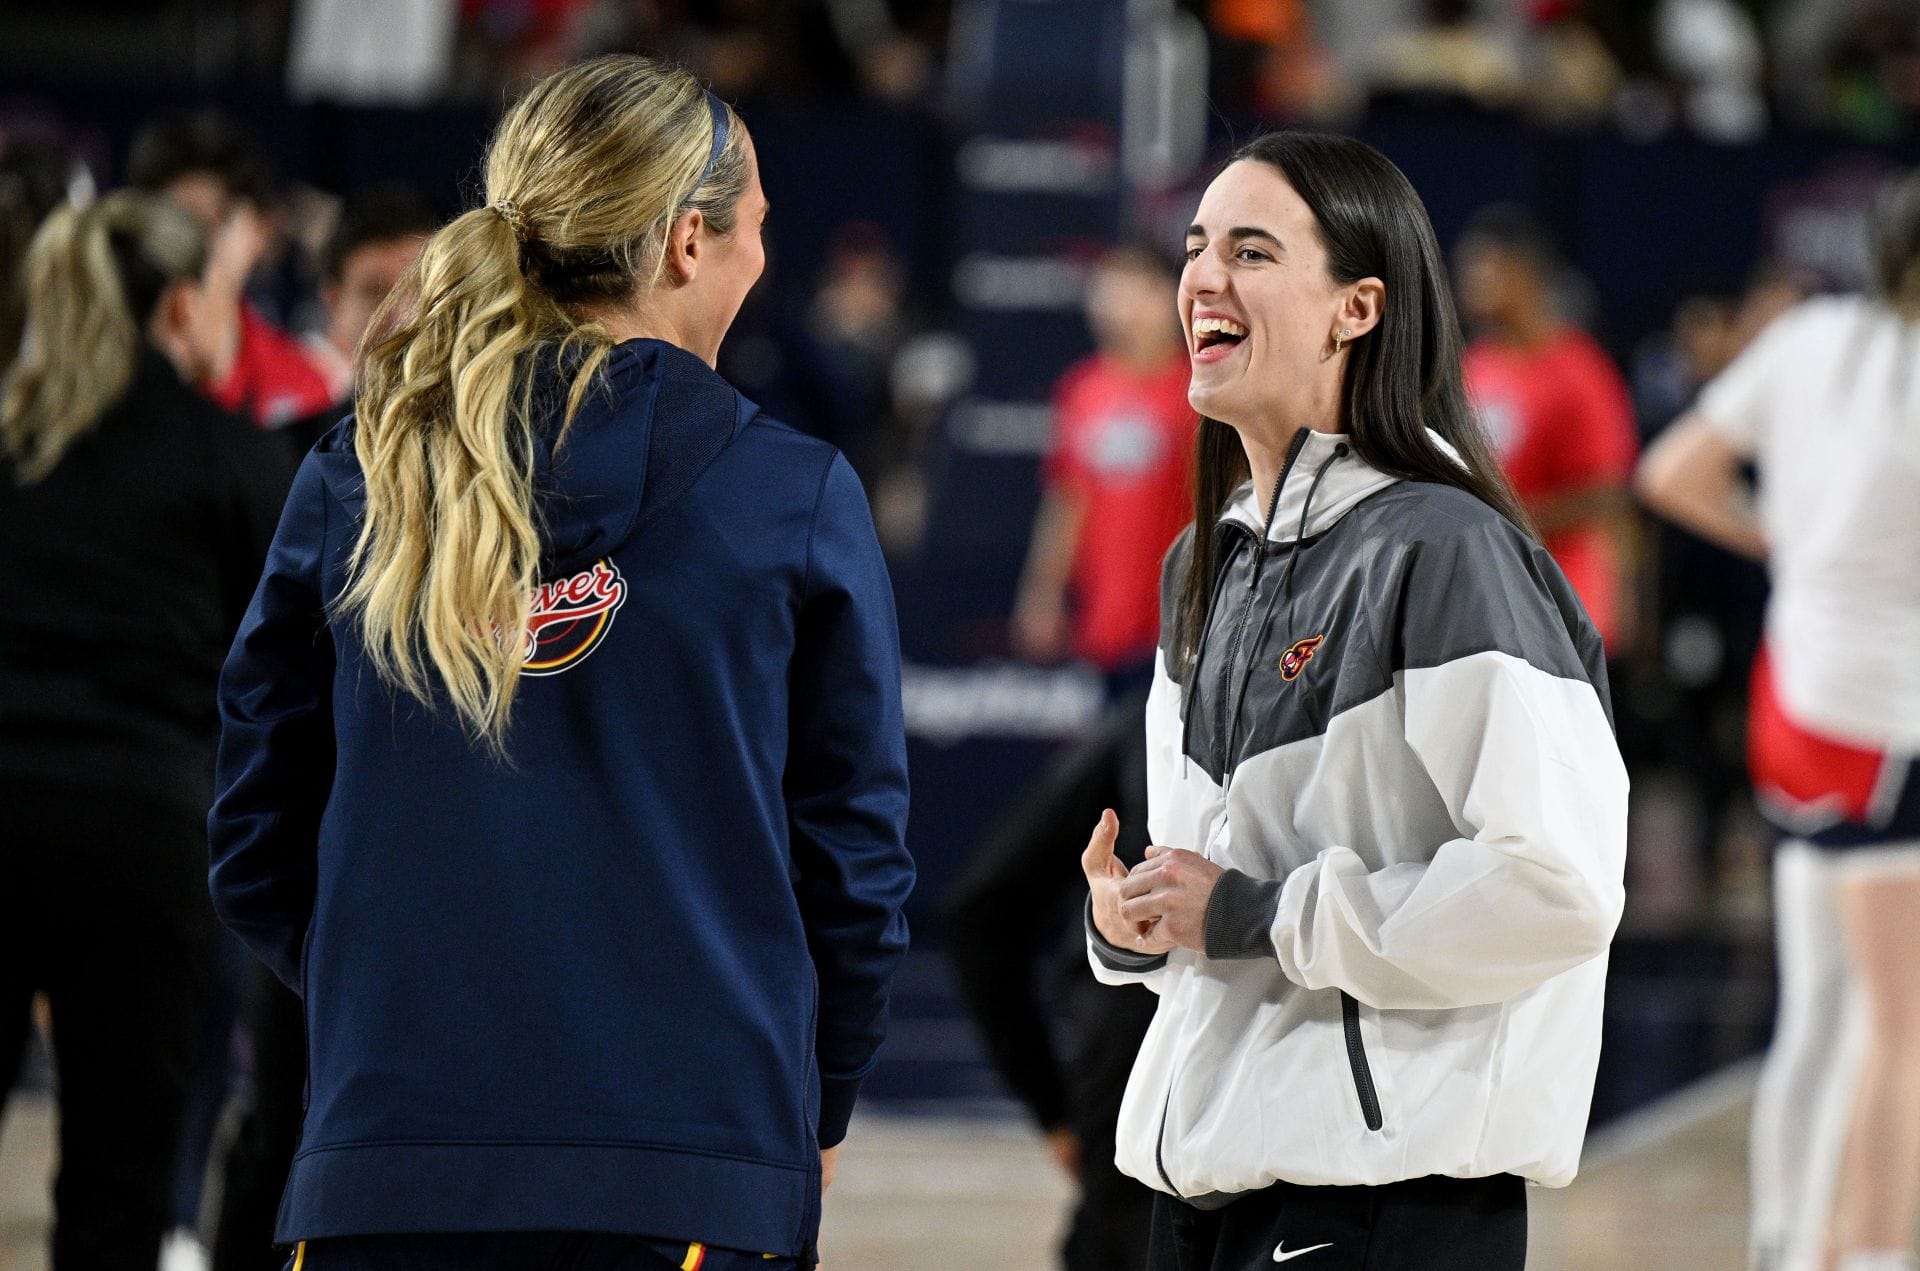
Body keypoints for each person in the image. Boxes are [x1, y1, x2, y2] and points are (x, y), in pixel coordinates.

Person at [207, 54, 912, 1270]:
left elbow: (254, 828)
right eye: (756, 227)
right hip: (691, 1171)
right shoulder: (796, 496)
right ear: (691, 242)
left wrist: (403, 992)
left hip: (383, 1167)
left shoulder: (358, 470)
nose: (760, 255)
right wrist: (815, 1093)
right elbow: (854, 862)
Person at [1078, 131, 1628, 1270]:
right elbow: (1218, 882)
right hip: (1208, 1183)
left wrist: (1252, 913)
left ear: (1357, 307)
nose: (1202, 279)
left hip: (1383, 1201)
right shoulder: (1205, 566)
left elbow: (1554, 884)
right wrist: (1135, 922)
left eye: (1251, 250)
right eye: (1195, 247)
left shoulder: (1448, 549)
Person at [0, 190, 292, 1271]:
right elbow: (289, 667)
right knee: (119, 1189)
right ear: (180, 306)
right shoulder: (232, 458)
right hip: (142, 831)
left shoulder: (13, 438)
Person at [1636, 168, 1920, 1271]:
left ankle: (1783, 1242)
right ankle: (1870, 1254)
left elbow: (1670, 472)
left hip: (1793, 704)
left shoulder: (1811, 337)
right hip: (1884, 721)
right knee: (1896, 1027)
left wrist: (1786, 543)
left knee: (1823, 1009)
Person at [1456, 204, 1640, 653]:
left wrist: (1508, 522)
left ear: (1526, 274)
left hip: (1565, 599)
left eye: (1485, 267)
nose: (1470, 283)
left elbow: (1609, 492)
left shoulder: (1579, 369)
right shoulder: (1471, 366)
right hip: (1491, 596)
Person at [1011, 244, 1194, 694]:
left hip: (1185, 625)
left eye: (1135, 289)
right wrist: (1042, 594)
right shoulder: (1082, 389)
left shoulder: (1201, 390)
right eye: (1108, 289)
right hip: (1106, 626)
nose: (1117, 304)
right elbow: (1068, 500)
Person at [128, 110, 336, 428]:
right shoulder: (107, 380)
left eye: (215, 221)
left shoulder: (308, 389)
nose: (193, 243)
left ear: (261, 233)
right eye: (174, 220)